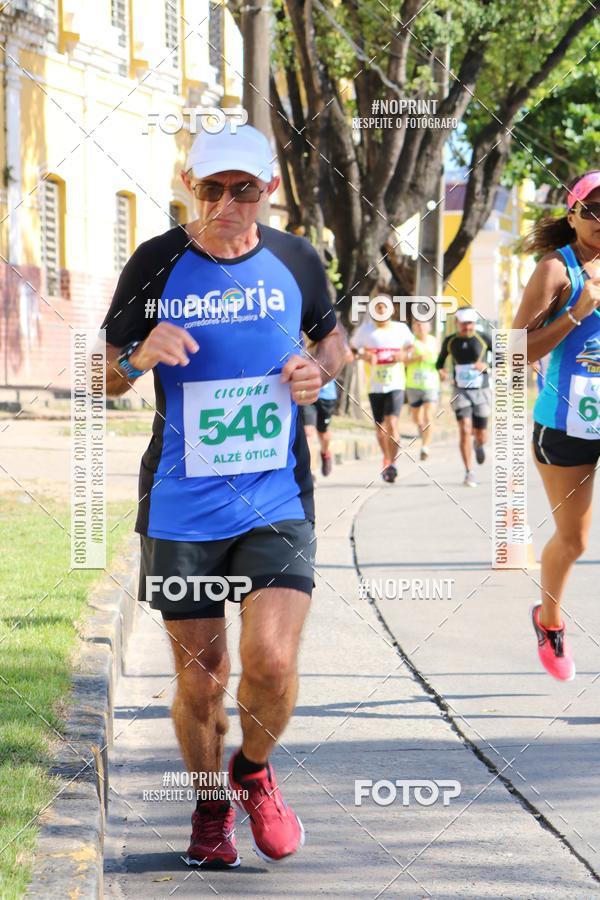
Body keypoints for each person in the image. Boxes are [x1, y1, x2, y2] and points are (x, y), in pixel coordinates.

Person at [102, 122, 346, 866]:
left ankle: (253, 772)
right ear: (191, 188)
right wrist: (138, 357)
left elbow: (335, 340)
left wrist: (319, 369)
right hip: (181, 505)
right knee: (202, 680)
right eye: (213, 188)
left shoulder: (297, 259)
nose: (228, 203)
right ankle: (211, 811)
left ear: (268, 191)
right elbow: (96, 378)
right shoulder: (156, 264)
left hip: (275, 496)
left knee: (270, 661)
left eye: (245, 189)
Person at [512, 170, 600, 682]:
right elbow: (514, 353)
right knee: (575, 541)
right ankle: (549, 622)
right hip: (566, 424)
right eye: (592, 210)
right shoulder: (556, 270)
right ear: (572, 214)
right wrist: (574, 314)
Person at [350, 296, 413, 482]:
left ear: (391, 310)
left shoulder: (401, 329)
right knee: (380, 429)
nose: (380, 311)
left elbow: (411, 349)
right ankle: (386, 458)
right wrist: (365, 356)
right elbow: (353, 350)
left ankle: (392, 463)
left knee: (392, 423)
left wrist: (402, 355)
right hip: (374, 385)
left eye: (383, 307)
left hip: (396, 383)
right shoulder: (365, 331)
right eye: (377, 307)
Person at [436, 307, 492, 487]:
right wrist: (442, 371)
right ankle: (469, 472)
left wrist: (486, 366)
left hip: (481, 390)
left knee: (481, 433)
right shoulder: (450, 341)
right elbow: (439, 362)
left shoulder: (483, 338)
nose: (467, 327)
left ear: (475, 323)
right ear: (457, 323)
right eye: (464, 323)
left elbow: (501, 357)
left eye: (470, 323)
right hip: (460, 391)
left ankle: (479, 444)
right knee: (465, 429)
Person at [405, 319, 440, 460]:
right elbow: (404, 361)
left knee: (428, 416)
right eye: (417, 325)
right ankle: (421, 428)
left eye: (423, 325)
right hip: (413, 384)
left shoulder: (434, 341)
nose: (420, 328)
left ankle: (425, 447)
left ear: (429, 327)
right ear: (414, 327)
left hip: (431, 384)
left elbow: (440, 360)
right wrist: (417, 358)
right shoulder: (409, 342)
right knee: (416, 418)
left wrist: (442, 370)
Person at [302, 379, 337, 477]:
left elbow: (346, 362)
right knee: (308, 433)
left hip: (326, 396)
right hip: (306, 394)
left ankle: (325, 453)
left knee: (323, 433)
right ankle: (309, 471)